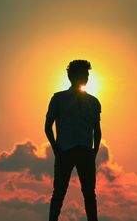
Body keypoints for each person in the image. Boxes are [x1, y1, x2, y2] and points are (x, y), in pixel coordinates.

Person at [45, 59, 102, 221]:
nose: (86, 77)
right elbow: (48, 126)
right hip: (65, 151)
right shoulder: (58, 99)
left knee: (90, 194)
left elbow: (97, 130)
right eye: (83, 74)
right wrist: (56, 149)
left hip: (85, 152)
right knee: (59, 193)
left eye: (87, 74)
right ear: (72, 76)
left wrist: (94, 152)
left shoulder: (93, 102)